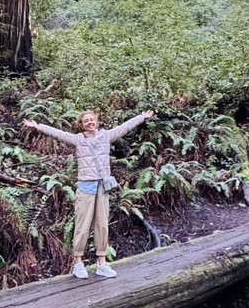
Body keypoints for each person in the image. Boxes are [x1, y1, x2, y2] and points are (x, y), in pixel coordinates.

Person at [22, 108, 155, 278]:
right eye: (86, 121)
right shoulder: (78, 139)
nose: (90, 122)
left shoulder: (106, 136)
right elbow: (59, 134)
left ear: (96, 121)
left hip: (102, 186)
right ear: (81, 125)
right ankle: (78, 263)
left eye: (92, 120)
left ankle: (102, 263)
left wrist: (141, 117)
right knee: (82, 225)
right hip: (86, 186)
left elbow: (124, 127)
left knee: (102, 224)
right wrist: (38, 126)